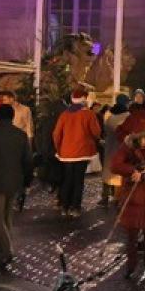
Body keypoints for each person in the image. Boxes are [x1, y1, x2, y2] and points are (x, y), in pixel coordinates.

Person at [111, 121, 145, 283]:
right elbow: (115, 165)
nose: (143, 142)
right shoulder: (126, 148)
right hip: (133, 199)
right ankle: (131, 266)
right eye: (140, 138)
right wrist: (133, 170)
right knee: (131, 238)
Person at [0, 104, 32, 270]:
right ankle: (0, 249)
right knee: (7, 216)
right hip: (14, 181)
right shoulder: (21, 136)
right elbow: (27, 161)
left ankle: (6, 249)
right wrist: (26, 182)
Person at [51, 86, 103, 217]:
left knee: (67, 178)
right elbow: (96, 132)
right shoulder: (89, 114)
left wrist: (59, 149)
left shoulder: (64, 114)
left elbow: (56, 134)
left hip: (66, 153)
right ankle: (75, 207)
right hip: (82, 153)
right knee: (78, 180)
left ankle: (64, 206)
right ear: (83, 99)